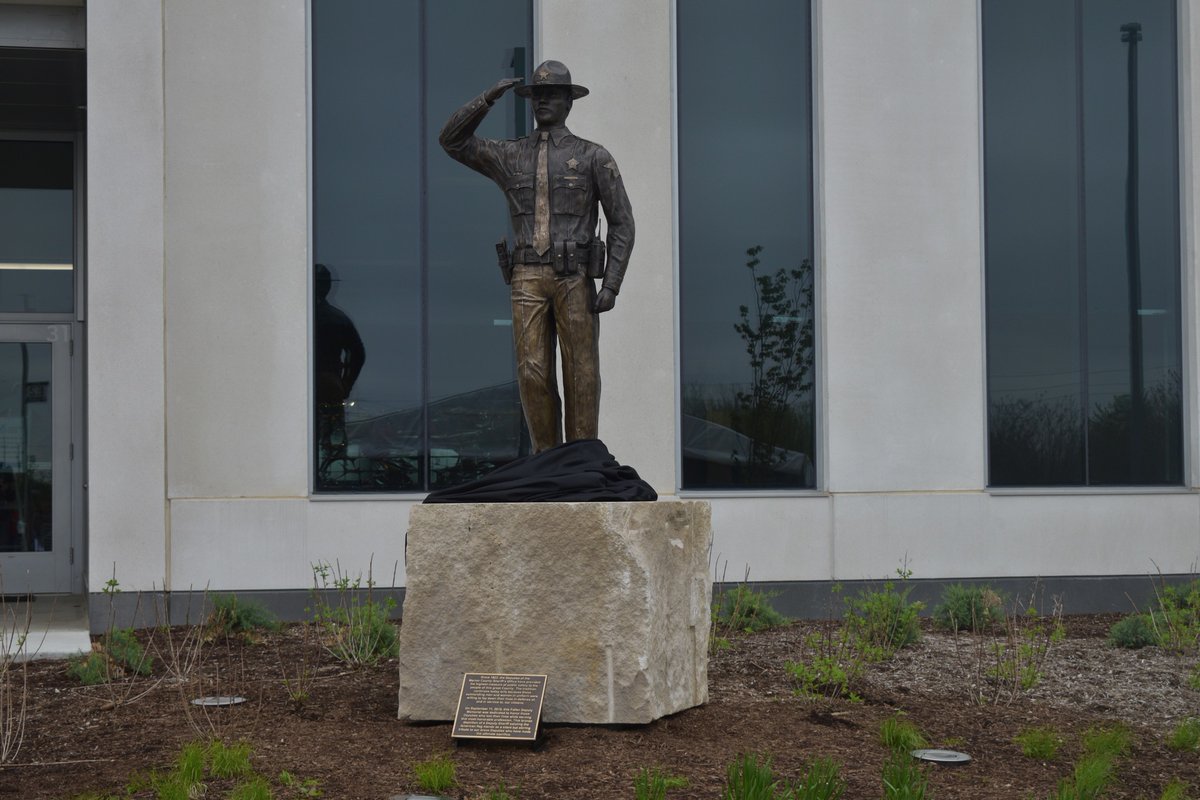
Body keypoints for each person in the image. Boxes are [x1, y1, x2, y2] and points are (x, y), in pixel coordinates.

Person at [439, 60, 634, 453]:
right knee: (531, 372)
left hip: (574, 276)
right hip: (526, 274)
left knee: (581, 371)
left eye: (552, 95)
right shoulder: (510, 155)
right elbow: (452, 141)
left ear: (568, 102)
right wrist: (487, 99)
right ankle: (546, 458)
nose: (543, 101)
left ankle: (581, 460)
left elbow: (622, 223)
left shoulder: (593, 156)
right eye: (537, 95)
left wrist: (611, 283)